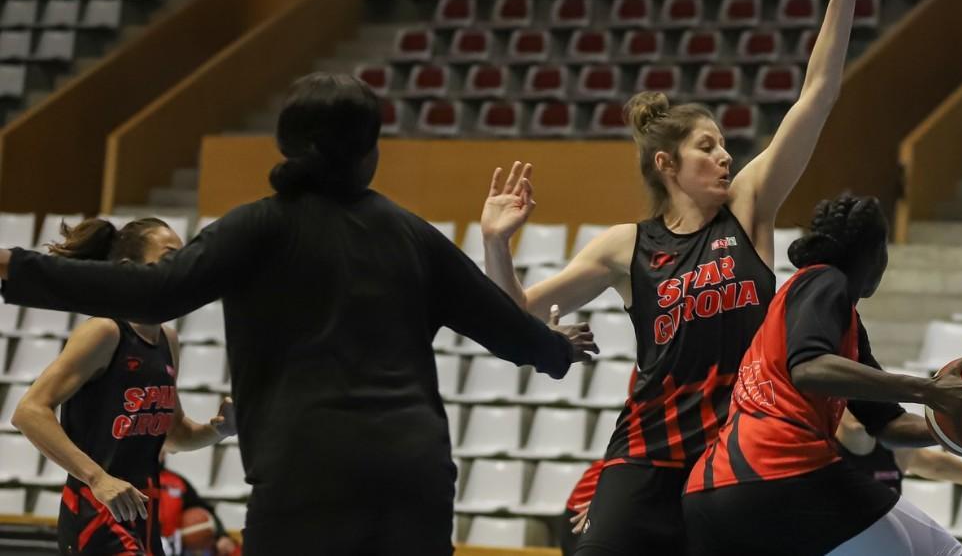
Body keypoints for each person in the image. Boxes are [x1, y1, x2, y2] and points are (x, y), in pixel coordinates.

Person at [0, 73, 597, 556]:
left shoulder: (256, 226)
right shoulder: (411, 235)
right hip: (411, 474)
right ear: (369, 153)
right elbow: (513, 333)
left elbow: (154, 294)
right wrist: (557, 348)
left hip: (303, 475)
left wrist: (13, 268)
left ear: (287, 147)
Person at [480, 0, 870, 555]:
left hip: (732, 460)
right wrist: (497, 242)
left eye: (724, 146)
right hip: (645, 454)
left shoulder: (749, 205)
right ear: (667, 164)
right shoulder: (624, 246)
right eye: (708, 147)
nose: (725, 157)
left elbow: (817, 96)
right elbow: (518, 313)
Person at [682, 194, 962, 556]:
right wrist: (929, 390)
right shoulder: (825, 280)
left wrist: (960, 428)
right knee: (938, 551)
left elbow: (887, 426)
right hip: (780, 471)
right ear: (873, 255)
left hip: (712, 494)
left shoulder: (841, 324)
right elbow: (809, 368)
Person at [11, 218, 236, 556]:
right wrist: (97, 477)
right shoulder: (104, 332)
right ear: (130, 270)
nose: (180, 268)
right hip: (95, 515)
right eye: (169, 256)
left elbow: (173, 435)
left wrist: (218, 430)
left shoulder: (167, 339)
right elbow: (28, 412)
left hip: (143, 518)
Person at [836, 410, 962, 495]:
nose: (857, 409)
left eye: (865, 403)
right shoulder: (816, 447)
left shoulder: (895, 452)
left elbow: (936, 465)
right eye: (850, 403)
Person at [158, 451, 239, 556]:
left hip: (172, 549)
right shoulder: (131, 481)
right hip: (138, 545)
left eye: (161, 447)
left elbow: (202, 508)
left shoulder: (177, 481)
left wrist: (221, 535)